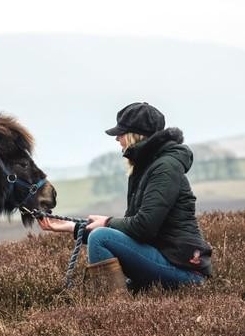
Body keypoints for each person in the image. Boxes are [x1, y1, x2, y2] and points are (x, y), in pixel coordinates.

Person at [39, 102, 212, 293]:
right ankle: (116, 305)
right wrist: (71, 227)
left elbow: (143, 227)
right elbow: (131, 232)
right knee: (102, 235)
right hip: (169, 261)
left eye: (120, 133)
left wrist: (107, 222)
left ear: (135, 135)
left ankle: (110, 308)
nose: (117, 139)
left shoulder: (165, 168)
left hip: (186, 273)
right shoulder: (147, 167)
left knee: (101, 237)